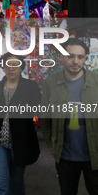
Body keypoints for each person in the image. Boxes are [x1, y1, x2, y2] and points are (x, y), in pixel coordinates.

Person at [40, 38, 98, 195]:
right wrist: (50, 143)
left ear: (85, 58)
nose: (75, 61)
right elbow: (44, 116)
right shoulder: (51, 82)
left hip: (94, 153)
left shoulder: (96, 81)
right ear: (62, 57)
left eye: (80, 57)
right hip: (65, 155)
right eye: (70, 56)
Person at [0, 53, 41, 195]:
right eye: (8, 65)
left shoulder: (30, 86)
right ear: (3, 67)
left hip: (21, 142)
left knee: (16, 182)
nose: (11, 68)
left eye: (15, 64)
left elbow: (39, 109)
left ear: (21, 68)